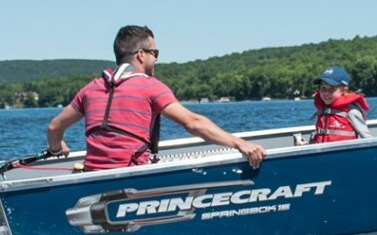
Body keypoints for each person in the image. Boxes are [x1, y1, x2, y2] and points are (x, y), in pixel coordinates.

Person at [45, 25, 266, 171]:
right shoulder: (150, 87)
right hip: (130, 178)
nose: (156, 60)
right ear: (141, 54)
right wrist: (240, 144)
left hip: (93, 176)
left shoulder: (91, 89)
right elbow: (193, 123)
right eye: (155, 53)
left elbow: (55, 127)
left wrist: (56, 147)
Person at [310, 65, 371, 142]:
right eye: (323, 88)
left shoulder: (351, 111)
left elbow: (368, 138)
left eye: (331, 89)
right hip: (322, 149)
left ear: (343, 90)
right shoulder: (323, 108)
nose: (326, 93)